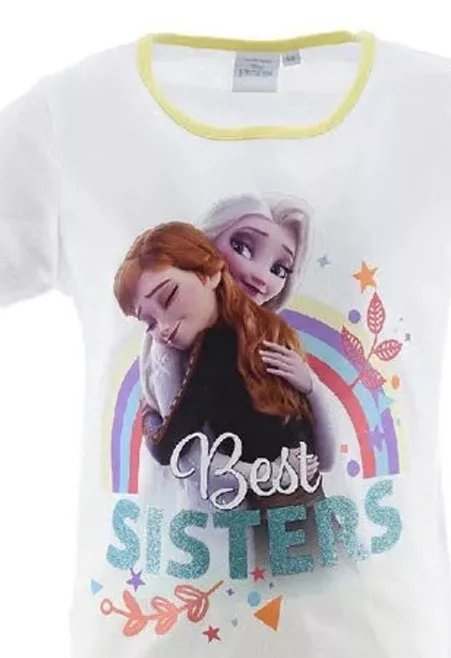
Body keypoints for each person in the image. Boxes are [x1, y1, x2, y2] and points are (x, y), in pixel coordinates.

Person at [115, 220, 328, 567]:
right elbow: (318, 451)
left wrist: (148, 413)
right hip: (308, 505)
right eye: (148, 322)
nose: (163, 328)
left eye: (168, 297)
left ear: (211, 273)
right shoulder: (267, 328)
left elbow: (169, 447)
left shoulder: (216, 345)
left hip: (279, 516)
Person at [137, 194, 335, 509]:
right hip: (245, 512)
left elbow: (325, 459)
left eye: (279, 269)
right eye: (242, 247)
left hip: (301, 507)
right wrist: (275, 474)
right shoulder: (199, 340)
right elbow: (182, 455)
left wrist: (311, 386)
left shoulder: (270, 334)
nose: (261, 277)